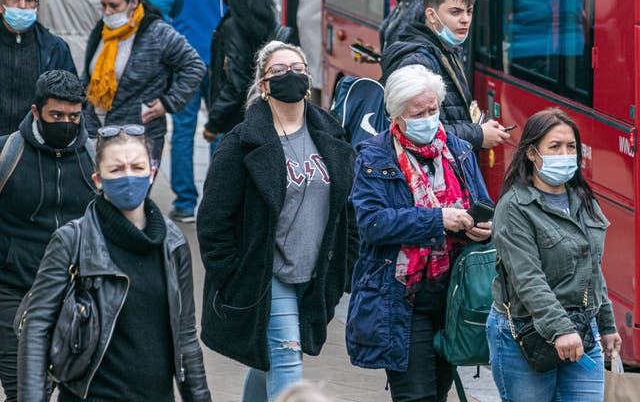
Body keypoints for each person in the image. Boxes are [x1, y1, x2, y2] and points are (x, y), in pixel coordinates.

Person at [197, 41, 356, 401]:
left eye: (298, 68)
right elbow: (213, 219)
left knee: (271, 357)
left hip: (314, 272)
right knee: (286, 356)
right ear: (264, 85)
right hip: (267, 274)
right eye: (280, 70)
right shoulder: (241, 144)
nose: (291, 76)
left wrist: (346, 263)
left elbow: (346, 207)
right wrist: (234, 272)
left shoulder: (330, 135)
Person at [16, 124, 212, 402]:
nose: (128, 177)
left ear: (152, 173)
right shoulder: (72, 240)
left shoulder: (173, 243)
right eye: (116, 170)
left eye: (137, 167)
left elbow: (186, 337)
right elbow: (36, 329)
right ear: (98, 179)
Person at [347, 64, 493, 402]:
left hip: (454, 296)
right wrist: (438, 220)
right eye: (419, 112)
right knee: (415, 395)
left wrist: (484, 226)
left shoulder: (457, 149)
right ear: (397, 116)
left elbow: (483, 202)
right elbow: (371, 222)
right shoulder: (375, 156)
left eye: (433, 109)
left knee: (438, 392)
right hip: (401, 297)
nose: (429, 118)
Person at [486, 108, 621, 401]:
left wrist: (607, 325)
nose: (565, 154)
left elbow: (592, 270)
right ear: (532, 154)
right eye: (555, 147)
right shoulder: (515, 208)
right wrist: (560, 330)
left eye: (571, 147)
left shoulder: (584, 201)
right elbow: (528, 279)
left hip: (582, 332)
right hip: (526, 335)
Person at [0, 70, 96, 402]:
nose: (66, 124)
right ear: (35, 112)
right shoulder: (7, 154)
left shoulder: (94, 158)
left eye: (74, 116)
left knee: (77, 391)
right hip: (13, 290)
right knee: (25, 392)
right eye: (56, 115)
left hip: (76, 297)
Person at [162, 0, 252, 223]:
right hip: (223, 59)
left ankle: (185, 202)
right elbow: (246, 7)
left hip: (181, 58)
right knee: (222, 129)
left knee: (183, 129)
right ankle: (218, 200)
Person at [84, 0, 205, 170]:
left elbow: (194, 65)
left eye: (114, 6)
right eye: (103, 5)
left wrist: (168, 102)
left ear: (133, 2)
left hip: (137, 136)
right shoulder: (102, 30)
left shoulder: (156, 32)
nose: (107, 12)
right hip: (96, 133)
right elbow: (87, 78)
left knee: (130, 197)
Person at [381, 0, 510, 151]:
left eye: (469, 11)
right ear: (432, 16)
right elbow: (420, 132)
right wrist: (478, 135)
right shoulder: (418, 61)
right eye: (455, 12)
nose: (465, 19)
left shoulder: (446, 49)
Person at [203, 0, 278, 142]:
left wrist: (214, 122)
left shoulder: (232, 27)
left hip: (237, 124)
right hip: (264, 116)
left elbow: (236, 83)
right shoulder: (267, 20)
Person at [0, 0, 76, 136]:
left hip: (35, 142)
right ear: (1, 5)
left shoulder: (55, 48)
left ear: (37, 7)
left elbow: (71, 97)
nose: (22, 5)